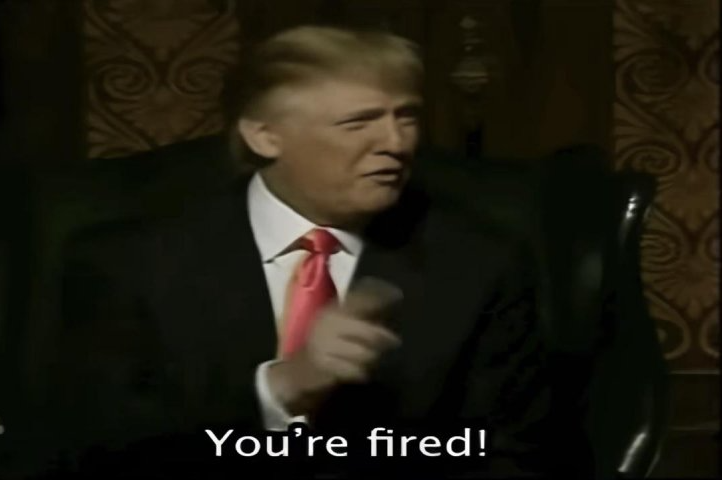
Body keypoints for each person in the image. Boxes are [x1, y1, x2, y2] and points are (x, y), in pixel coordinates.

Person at [55, 25, 585, 478]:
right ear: (265, 136)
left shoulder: (480, 263)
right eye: (359, 122)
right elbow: (99, 448)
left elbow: (511, 453)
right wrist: (279, 389)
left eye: (406, 116)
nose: (396, 143)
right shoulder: (129, 264)